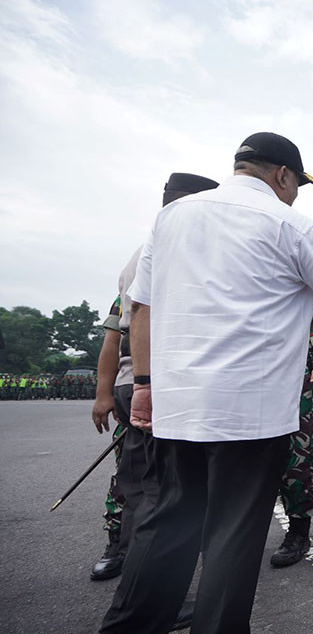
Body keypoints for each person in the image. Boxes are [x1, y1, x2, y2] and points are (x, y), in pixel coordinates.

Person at [86, 132, 313, 634]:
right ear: (283, 176)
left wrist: (146, 386)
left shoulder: (171, 218)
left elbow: (141, 311)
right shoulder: (290, 224)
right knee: (232, 537)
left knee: (166, 526)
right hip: (249, 411)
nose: (296, 195)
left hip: (177, 406)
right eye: (297, 185)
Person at [89, 173, 220, 584]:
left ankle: (132, 570)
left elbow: (118, 332)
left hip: (137, 384)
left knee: (138, 485)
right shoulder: (179, 249)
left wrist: (108, 393)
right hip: (161, 384)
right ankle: (157, 591)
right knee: (164, 493)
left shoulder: (140, 252)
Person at [270, 298, 313, 567]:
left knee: (299, 454)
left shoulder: (300, 270)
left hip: (296, 375)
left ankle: (298, 532)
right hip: (249, 371)